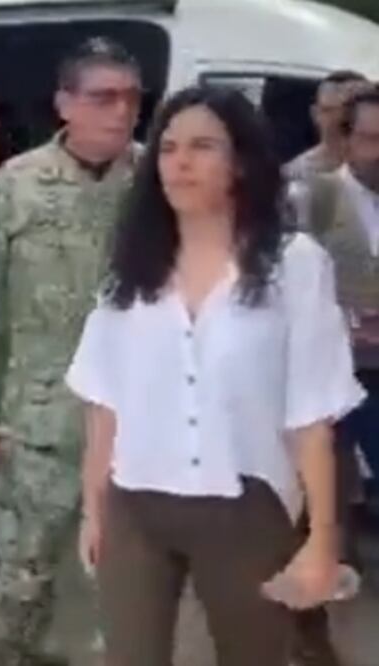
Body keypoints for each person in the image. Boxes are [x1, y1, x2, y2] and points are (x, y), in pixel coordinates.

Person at [67, 85, 363, 666]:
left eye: (203, 146)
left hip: (245, 505)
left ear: (242, 162)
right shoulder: (133, 270)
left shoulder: (293, 266)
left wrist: (322, 539)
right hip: (136, 504)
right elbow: (104, 402)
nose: (180, 162)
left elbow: (312, 415)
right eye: (168, 147)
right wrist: (93, 511)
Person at [0, 37, 143, 666]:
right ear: (65, 104)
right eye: (103, 97)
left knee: (133, 584)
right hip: (40, 428)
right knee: (22, 580)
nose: (121, 111)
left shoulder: (156, 181)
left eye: (131, 98)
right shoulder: (19, 185)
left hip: (141, 425)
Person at [305, 85, 379, 517]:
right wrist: (346, 320)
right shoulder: (316, 198)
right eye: (370, 139)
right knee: (326, 494)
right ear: (347, 140)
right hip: (330, 371)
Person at [285, 71, 370, 183]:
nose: (344, 116)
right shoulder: (295, 176)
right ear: (315, 114)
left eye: (354, 110)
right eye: (332, 110)